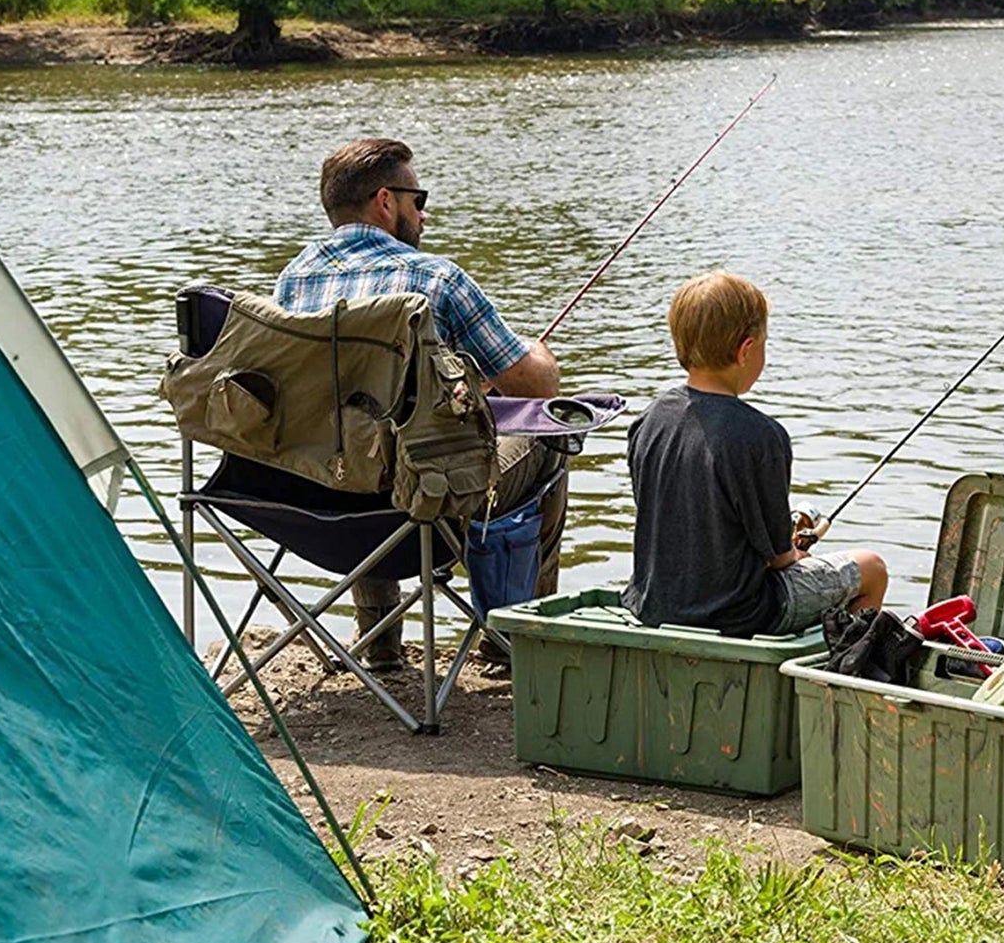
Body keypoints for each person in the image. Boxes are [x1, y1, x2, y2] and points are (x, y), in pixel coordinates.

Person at [276, 137, 567, 670]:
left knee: (361, 446)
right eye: (419, 199)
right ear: (385, 202)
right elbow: (535, 387)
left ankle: (380, 644)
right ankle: (515, 638)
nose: (424, 214)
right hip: (425, 507)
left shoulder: (293, 280)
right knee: (551, 435)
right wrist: (537, 353)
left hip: (318, 502)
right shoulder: (435, 278)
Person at [622, 270, 887, 638]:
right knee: (872, 568)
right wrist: (796, 553)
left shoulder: (648, 420)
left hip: (651, 604)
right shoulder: (762, 436)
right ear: (745, 350)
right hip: (740, 613)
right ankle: (849, 663)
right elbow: (780, 558)